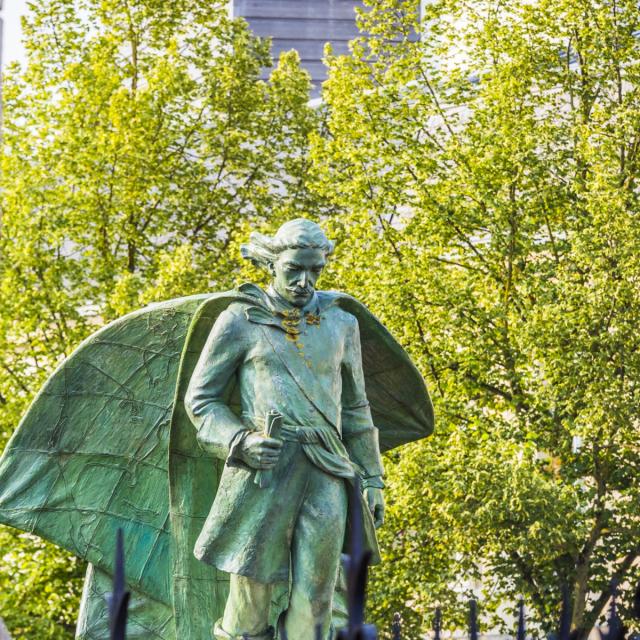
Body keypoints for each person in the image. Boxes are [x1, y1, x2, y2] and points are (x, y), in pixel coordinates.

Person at [185, 218, 385, 639]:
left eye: (314, 271)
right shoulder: (240, 320)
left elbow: (356, 408)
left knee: (318, 596)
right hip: (263, 471)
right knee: (250, 593)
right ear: (272, 264)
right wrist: (239, 441)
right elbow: (201, 399)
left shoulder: (341, 324)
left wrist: (373, 477)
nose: (304, 281)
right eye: (294, 269)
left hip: (327, 468)